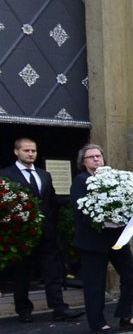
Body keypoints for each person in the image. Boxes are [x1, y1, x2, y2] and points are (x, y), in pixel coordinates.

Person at [0, 138, 82, 322]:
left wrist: (74, 201)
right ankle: (23, 309)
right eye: (26, 150)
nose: (30, 154)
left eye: (33, 151)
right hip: (22, 234)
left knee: (52, 271)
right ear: (16, 152)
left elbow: (51, 200)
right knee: (22, 273)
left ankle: (59, 308)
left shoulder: (44, 175)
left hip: (47, 232)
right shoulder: (5, 175)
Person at [70, 144, 133, 333]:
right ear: (83, 162)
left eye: (98, 156)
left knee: (130, 273)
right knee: (95, 283)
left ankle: (125, 314)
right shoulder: (81, 180)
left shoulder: (115, 178)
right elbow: (80, 210)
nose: (96, 159)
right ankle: (97, 321)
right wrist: (104, 217)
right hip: (93, 241)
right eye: (91, 157)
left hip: (117, 238)